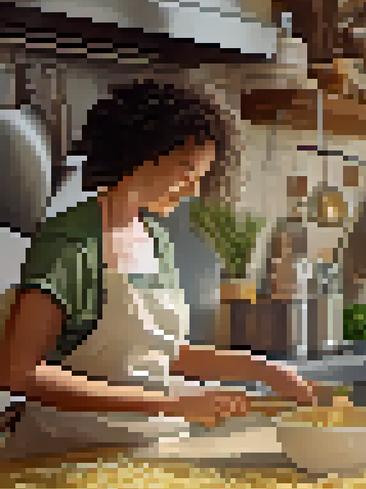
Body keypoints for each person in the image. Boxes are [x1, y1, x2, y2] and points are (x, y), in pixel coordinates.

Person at [0, 81, 317, 459]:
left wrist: (264, 370)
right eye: (186, 170)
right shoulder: (71, 241)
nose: (192, 191)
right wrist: (173, 404)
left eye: (201, 177)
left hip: (149, 453)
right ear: (143, 152)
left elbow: (159, 352)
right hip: (62, 459)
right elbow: (19, 372)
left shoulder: (156, 241)